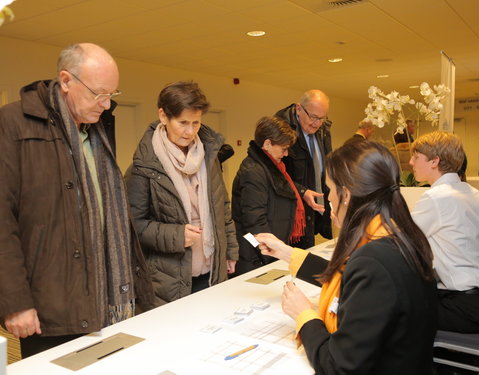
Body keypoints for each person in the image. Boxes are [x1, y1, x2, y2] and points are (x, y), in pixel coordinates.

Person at [0, 43, 153, 358]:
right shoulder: (13, 123)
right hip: (50, 303)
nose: (107, 104)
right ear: (66, 81)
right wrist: (15, 302)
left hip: (108, 296)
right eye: (98, 94)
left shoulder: (97, 129)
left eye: (112, 94)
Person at [256, 141, 437, 375]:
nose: (329, 197)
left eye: (331, 188)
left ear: (347, 195)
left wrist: (305, 316)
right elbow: (350, 277)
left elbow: (339, 366)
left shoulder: (373, 260)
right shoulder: (396, 234)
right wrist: (284, 251)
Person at [125, 81, 238, 307]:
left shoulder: (209, 156)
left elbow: (222, 206)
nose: (190, 131)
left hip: (211, 271)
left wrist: (230, 250)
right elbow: (134, 226)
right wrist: (176, 235)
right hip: (168, 280)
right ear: (163, 116)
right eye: (183, 123)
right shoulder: (143, 166)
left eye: (196, 123)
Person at [410, 131, 479, 333]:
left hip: (463, 305)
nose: (411, 162)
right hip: (474, 301)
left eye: (416, 157)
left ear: (434, 161)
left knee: (394, 307)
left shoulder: (436, 197)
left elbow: (401, 239)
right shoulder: (473, 193)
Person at [231, 116, 305, 275]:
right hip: (256, 256)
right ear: (267, 144)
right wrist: (274, 253)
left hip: (267, 251)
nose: (286, 154)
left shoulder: (272, 167)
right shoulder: (254, 171)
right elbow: (255, 220)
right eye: (283, 149)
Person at [274, 90, 332, 248]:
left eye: (322, 118)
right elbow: (276, 174)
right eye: (313, 117)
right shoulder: (282, 130)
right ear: (299, 109)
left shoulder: (323, 130)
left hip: (317, 207)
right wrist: (302, 191)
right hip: (292, 212)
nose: (317, 123)